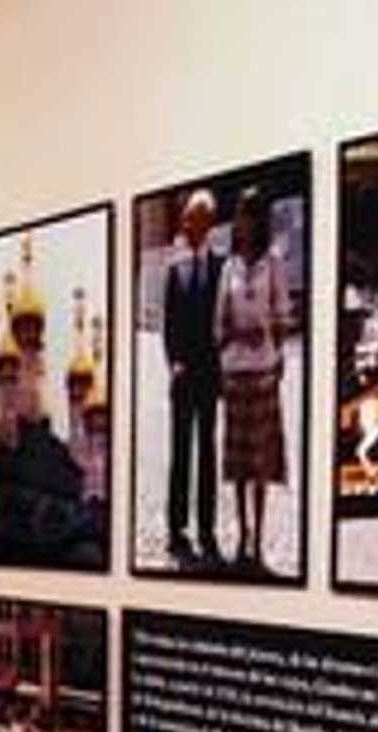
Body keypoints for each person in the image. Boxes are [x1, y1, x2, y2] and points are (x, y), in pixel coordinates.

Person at [215, 186, 290, 573]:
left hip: (262, 373)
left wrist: (273, 342)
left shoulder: (273, 263)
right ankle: (241, 533)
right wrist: (234, 333)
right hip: (234, 373)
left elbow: (283, 315)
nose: (243, 222)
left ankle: (258, 538)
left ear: (260, 221)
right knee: (239, 464)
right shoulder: (228, 267)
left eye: (250, 215)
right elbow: (218, 325)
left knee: (260, 463)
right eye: (240, 215)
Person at [161, 187, 224, 565]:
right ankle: (176, 528)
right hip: (183, 378)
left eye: (192, 217)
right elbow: (169, 327)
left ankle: (207, 529)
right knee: (180, 453)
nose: (186, 224)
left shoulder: (222, 267)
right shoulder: (175, 270)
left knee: (207, 454)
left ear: (207, 223)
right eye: (185, 217)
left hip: (211, 376)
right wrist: (173, 363)